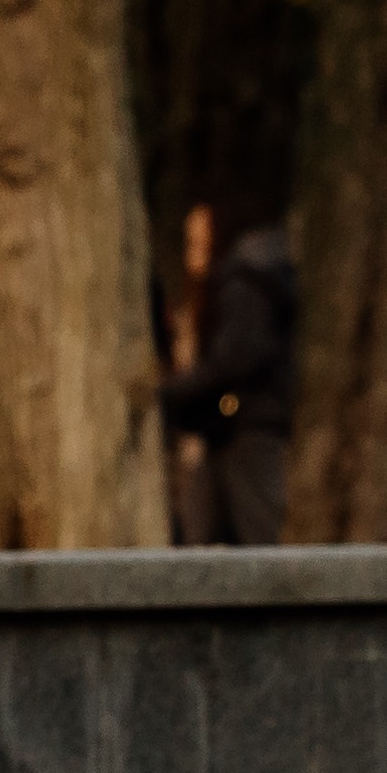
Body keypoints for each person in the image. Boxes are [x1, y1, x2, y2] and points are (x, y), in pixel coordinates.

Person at [156, 204, 297, 549]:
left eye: (200, 243)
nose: (194, 255)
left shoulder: (243, 280)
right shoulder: (249, 275)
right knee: (197, 537)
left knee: (257, 539)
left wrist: (171, 393)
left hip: (245, 428)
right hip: (224, 430)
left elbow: (235, 358)